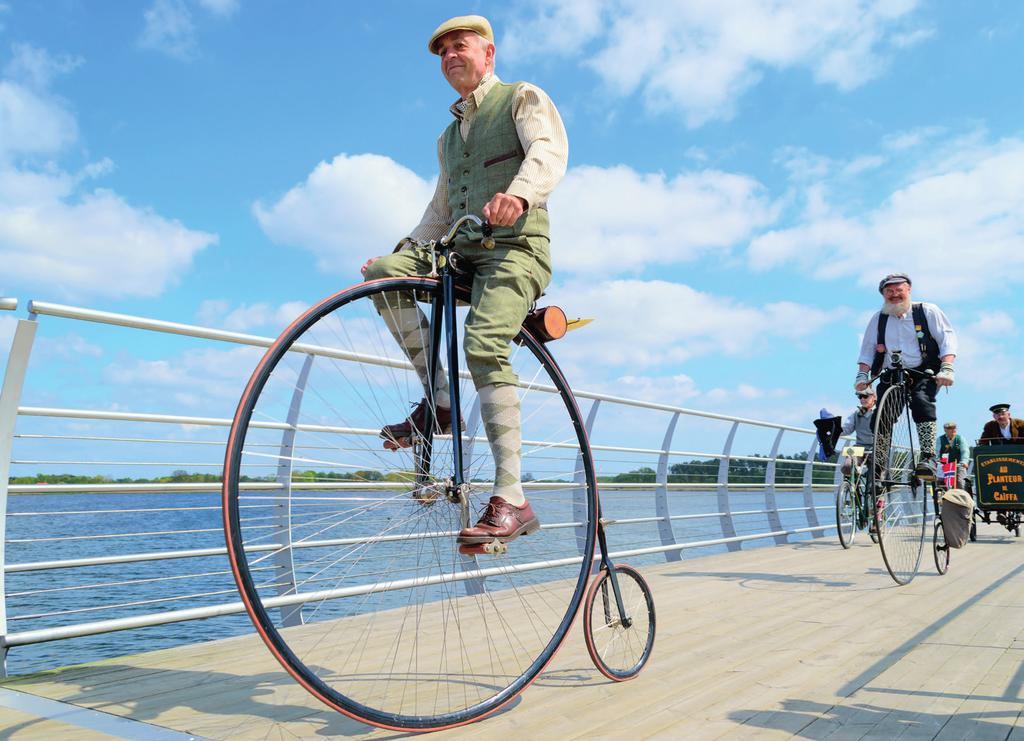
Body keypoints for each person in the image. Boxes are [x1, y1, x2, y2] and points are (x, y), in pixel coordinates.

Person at [360, 15, 568, 544]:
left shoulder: (521, 97)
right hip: (461, 254)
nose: (451, 55)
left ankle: (513, 498)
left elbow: (548, 153)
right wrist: (402, 254)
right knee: (385, 277)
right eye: (443, 51)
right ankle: (441, 401)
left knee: (483, 344)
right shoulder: (448, 138)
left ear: (488, 54)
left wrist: (518, 194)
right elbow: (440, 208)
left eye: (461, 46)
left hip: (514, 250)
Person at [855, 273, 957, 480]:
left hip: (924, 370)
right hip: (893, 372)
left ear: (908, 290)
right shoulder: (879, 318)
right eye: (889, 291)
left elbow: (947, 338)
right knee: (882, 414)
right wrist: (861, 376)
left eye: (898, 290)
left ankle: (928, 457)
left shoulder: (927, 311)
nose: (894, 295)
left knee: (921, 402)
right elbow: (867, 350)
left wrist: (947, 368)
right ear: (883, 294)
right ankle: (880, 459)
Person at [839, 388, 875, 476]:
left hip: (876, 449)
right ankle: (851, 484)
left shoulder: (880, 411)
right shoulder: (856, 413)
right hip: (860, 447)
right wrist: (833, 430)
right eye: (860, 397)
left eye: (865, 396)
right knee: (849, 460)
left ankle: (872, 483)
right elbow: (846, 429)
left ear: (874, 397)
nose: (862, 399)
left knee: (875, 477)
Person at [936, 421, 967, 488]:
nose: (953, 429)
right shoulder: (940, 439)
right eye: (950, 428)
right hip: (945, 464)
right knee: (941, 483)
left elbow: (965, 451)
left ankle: (961, 496)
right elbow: (937, 452)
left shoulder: (960, 439)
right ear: (945, 430)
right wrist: (938, 460)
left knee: (960, 482)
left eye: (954, 428)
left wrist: (964, 461)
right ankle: (942, 497)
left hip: (958, 464)